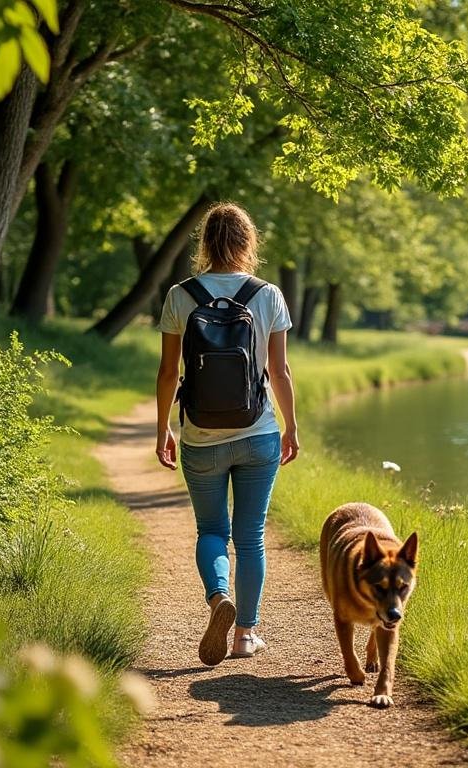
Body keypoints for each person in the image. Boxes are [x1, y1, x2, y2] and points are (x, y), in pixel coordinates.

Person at [154, 202, 300, 666]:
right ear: (247, 242)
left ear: (205, 243)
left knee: (212, 530)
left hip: (200, 435)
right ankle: (244, 635)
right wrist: (291, 426)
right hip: (258, 432)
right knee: (250, 535)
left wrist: (163, 429)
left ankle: (219, 598)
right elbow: (280, 371)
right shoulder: (268, 294)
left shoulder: (181, 295)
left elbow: (168, 372)